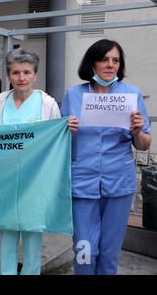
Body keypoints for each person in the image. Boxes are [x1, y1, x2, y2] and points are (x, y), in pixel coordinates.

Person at [60, 39, 151, 275]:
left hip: (118, 181)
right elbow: (60, 142)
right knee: (84, 248)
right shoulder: (74, 94)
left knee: (110, 251)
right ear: (92, 63)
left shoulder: (131, 95)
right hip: (82, 181)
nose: (110, 65)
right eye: (104, 59)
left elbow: (143, 144)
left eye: (115, 60)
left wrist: (137, 131)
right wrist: (64, 130)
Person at [0, 48, 70, 275]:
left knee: (33, 236)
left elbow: (55, 143)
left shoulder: (47, 103)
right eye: (15, 73)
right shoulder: (0, 101)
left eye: (26, 72)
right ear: (8, 75)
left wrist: (67, 128)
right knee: (7, 235)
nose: (21, 78)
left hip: (35, 182)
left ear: (35, 75)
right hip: (7, 179)